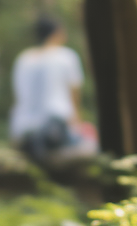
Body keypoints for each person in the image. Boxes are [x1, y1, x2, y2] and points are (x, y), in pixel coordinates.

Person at [9, 15, 94, 164]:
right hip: (52, 128)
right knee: (90, 142)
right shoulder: (66, 56)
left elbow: (18, 97)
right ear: (57, 33)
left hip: (21, 130)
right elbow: (74, 99)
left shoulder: (23, 58)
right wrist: (77, 125)